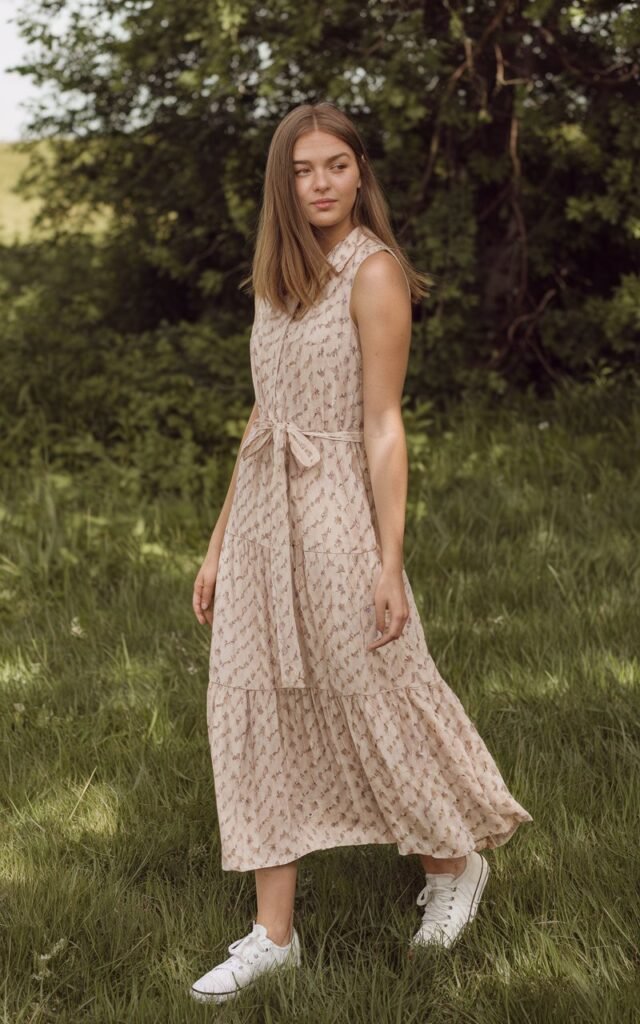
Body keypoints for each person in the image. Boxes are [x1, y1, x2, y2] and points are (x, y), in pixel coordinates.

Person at [190, 101, 533, 1005]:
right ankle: (274, 936)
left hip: (338, 505)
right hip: (265, 512)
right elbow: (263, 419)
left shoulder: (373, 273)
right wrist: (219, 545)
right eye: (303, 170)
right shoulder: (275, 275)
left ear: (359, 172)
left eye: (336, 165)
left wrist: (388, 560)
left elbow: (383, 424)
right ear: (283, 181)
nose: (321, 184)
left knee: (371, 691)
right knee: (255, 703)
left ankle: (454, 865)